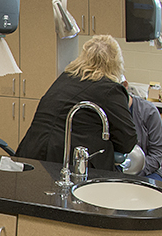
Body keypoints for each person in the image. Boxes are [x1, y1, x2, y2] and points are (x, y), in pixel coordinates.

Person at [15, 34, 140, 173]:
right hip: (68, 164)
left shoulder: (65, 79)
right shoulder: (111, 89)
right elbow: (127, 141)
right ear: (116, 63)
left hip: (31, 153)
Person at [126, 80, 162, 186]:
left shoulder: (148, 111)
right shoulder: (105, 112)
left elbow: (157, 155)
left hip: (148, 171)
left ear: (125, 86)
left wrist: (131, 171)